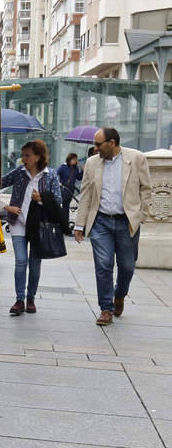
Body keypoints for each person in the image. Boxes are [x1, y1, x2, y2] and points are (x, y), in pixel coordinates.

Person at [73, 127, 152, 326]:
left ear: (112, 143)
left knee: (127, 266)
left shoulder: (136, 158)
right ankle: (106, 309)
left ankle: (119, 295)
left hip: (127, 222)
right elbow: (86, 195)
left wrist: (141, 214)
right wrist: (79, 224)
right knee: (103, 265)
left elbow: (146, 188)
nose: (95, 148)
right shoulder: (92, 163)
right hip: (100, 222)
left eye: (98, 144)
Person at [1, 139, 63, 315]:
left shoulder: (50, 175)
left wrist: (41, 199)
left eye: (27, 155)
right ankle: (19, 299)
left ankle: (31, 298)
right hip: (18, 223)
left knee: (35, 264)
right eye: (23, 155)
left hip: (39, 227)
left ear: (38, 157)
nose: (23, 159)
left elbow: (58, 202)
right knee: (21, 261)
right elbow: (0, 182)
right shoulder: (19, 173)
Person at [57, 153, 82, 233]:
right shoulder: (63, 167)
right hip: (64, 189)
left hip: (71, 190)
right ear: (70, 159)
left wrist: (83, 170)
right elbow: (55, 174)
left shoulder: (75, 168)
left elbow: (79, 178)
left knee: (66, 207)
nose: (76, 161)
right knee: (64, 207)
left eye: (76, 160)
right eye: (74, 159)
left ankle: (65, 225)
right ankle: (63, 225)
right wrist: (59, 183)